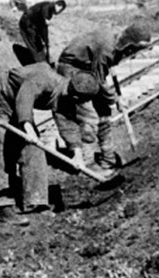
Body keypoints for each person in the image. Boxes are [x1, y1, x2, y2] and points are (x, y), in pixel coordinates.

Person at [0, 63, 99, 225]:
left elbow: (68, 123)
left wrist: (77, 154)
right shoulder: (43, 78)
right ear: (75, 96)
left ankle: (36, 200)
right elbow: (25, 98)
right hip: (1, 101)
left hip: (17, 107)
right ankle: (3, 206)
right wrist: (28, 127)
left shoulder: (65, 94)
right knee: (3, 151)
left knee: (34, 150)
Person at [54, 23, 152, 172]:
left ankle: (108, 158)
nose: (135, 53)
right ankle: (85, 163)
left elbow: (100, 73)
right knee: (86, 116)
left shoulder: (116, 44)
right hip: (72, 69)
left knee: (104, 112)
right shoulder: (107, 49)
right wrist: (115, 99)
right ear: (129, 43)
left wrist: (110, 99)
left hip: (88, 69)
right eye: (136, 49)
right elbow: (99, 81)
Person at [15, 0, 67, 65]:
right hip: (27, 24)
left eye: (61, 10)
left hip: (32, 25)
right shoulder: (47, 7)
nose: (59, 11)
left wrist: (45, 40)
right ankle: (39, 64)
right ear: (57, 4)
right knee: (34, 46)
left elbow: (42, 26)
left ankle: (43, 62)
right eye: (59, 8)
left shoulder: (49, 10)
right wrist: (45, 19)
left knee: (39, 46)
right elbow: (43, 13)